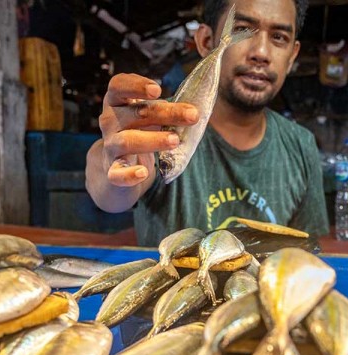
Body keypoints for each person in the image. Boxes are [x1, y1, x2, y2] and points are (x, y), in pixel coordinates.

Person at [86, 0, 329, 246]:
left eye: (278, 37)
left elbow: (305, 246)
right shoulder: (157, 125)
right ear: (205, 41)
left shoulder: (301, 144)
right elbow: (109, 194)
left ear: (292, 56)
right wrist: (114, 164)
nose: (261, 53)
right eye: (241, 29)